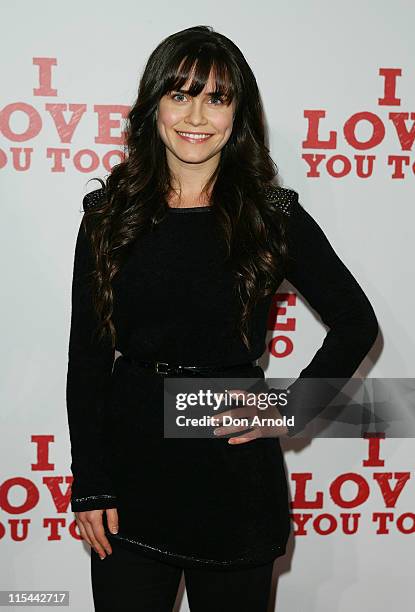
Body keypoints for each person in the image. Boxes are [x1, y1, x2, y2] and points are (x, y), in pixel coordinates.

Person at [65, 25, 379, 611]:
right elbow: (86, 358)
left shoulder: (271, 216)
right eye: (180, 94)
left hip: (233, 478)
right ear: (154, 104)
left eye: (217, 97)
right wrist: (90, 482)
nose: (197, 115)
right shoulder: (109, 215)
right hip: (131, 476)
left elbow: (356, 322)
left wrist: (291, 406)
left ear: (239, 112)